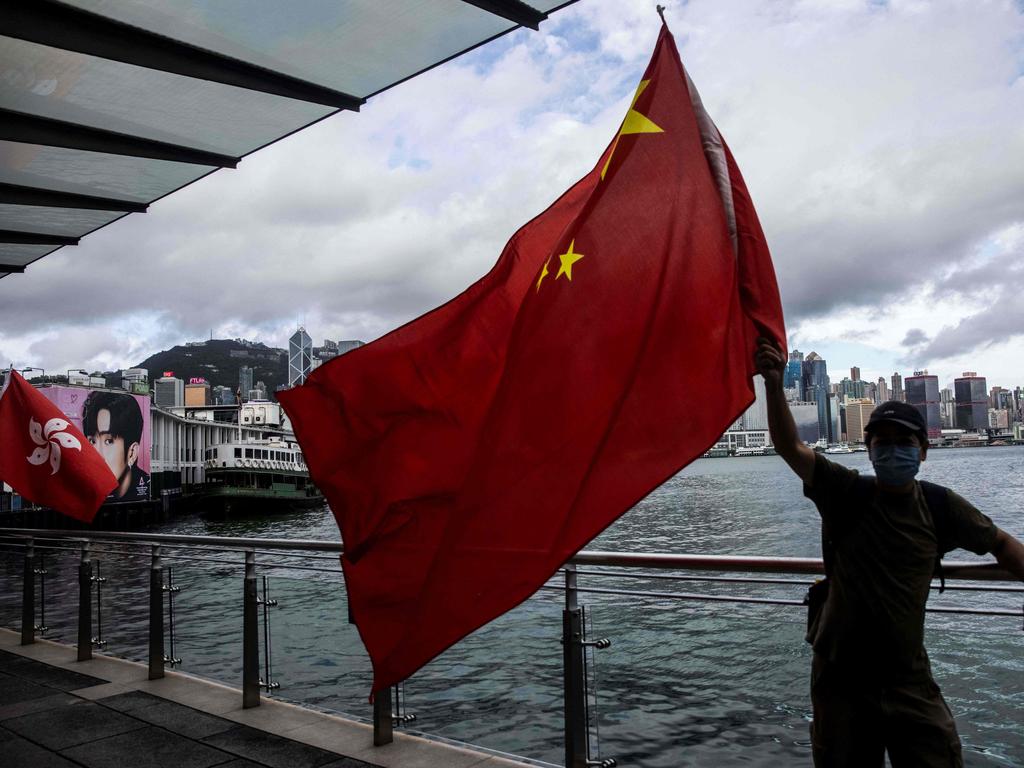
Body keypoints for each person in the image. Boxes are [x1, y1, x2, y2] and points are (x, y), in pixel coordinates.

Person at [754, 336, 1024, 768]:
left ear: (923, 451)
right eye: (882, 441)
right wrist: (771, 384)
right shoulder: (845, 492)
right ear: (869, 448)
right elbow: (792, 448)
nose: (892, 449)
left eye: (904, 441)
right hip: (839, 678)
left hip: (907, 678)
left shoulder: (940, 505)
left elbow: (1003, 544)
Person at [82, 390, 150, 501]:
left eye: (108, 441)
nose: (97, 455)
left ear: (132, 453)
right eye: (92, 441)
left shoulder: (146, 484)